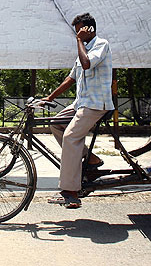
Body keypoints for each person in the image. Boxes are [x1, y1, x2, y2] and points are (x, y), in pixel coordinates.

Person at [42, 13, 114, 209]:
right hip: (81, 103)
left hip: (96, 104)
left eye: (80, 30)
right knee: (56, 124)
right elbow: (71, 78)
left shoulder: (101, 44)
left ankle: (70, 192)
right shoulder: (83, 48)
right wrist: (49, 98)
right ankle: (90, 158)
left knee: (70, 137)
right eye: (77, 31)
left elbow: (87, 63)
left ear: (90, 29)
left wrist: (80, 42)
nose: (77, 34)